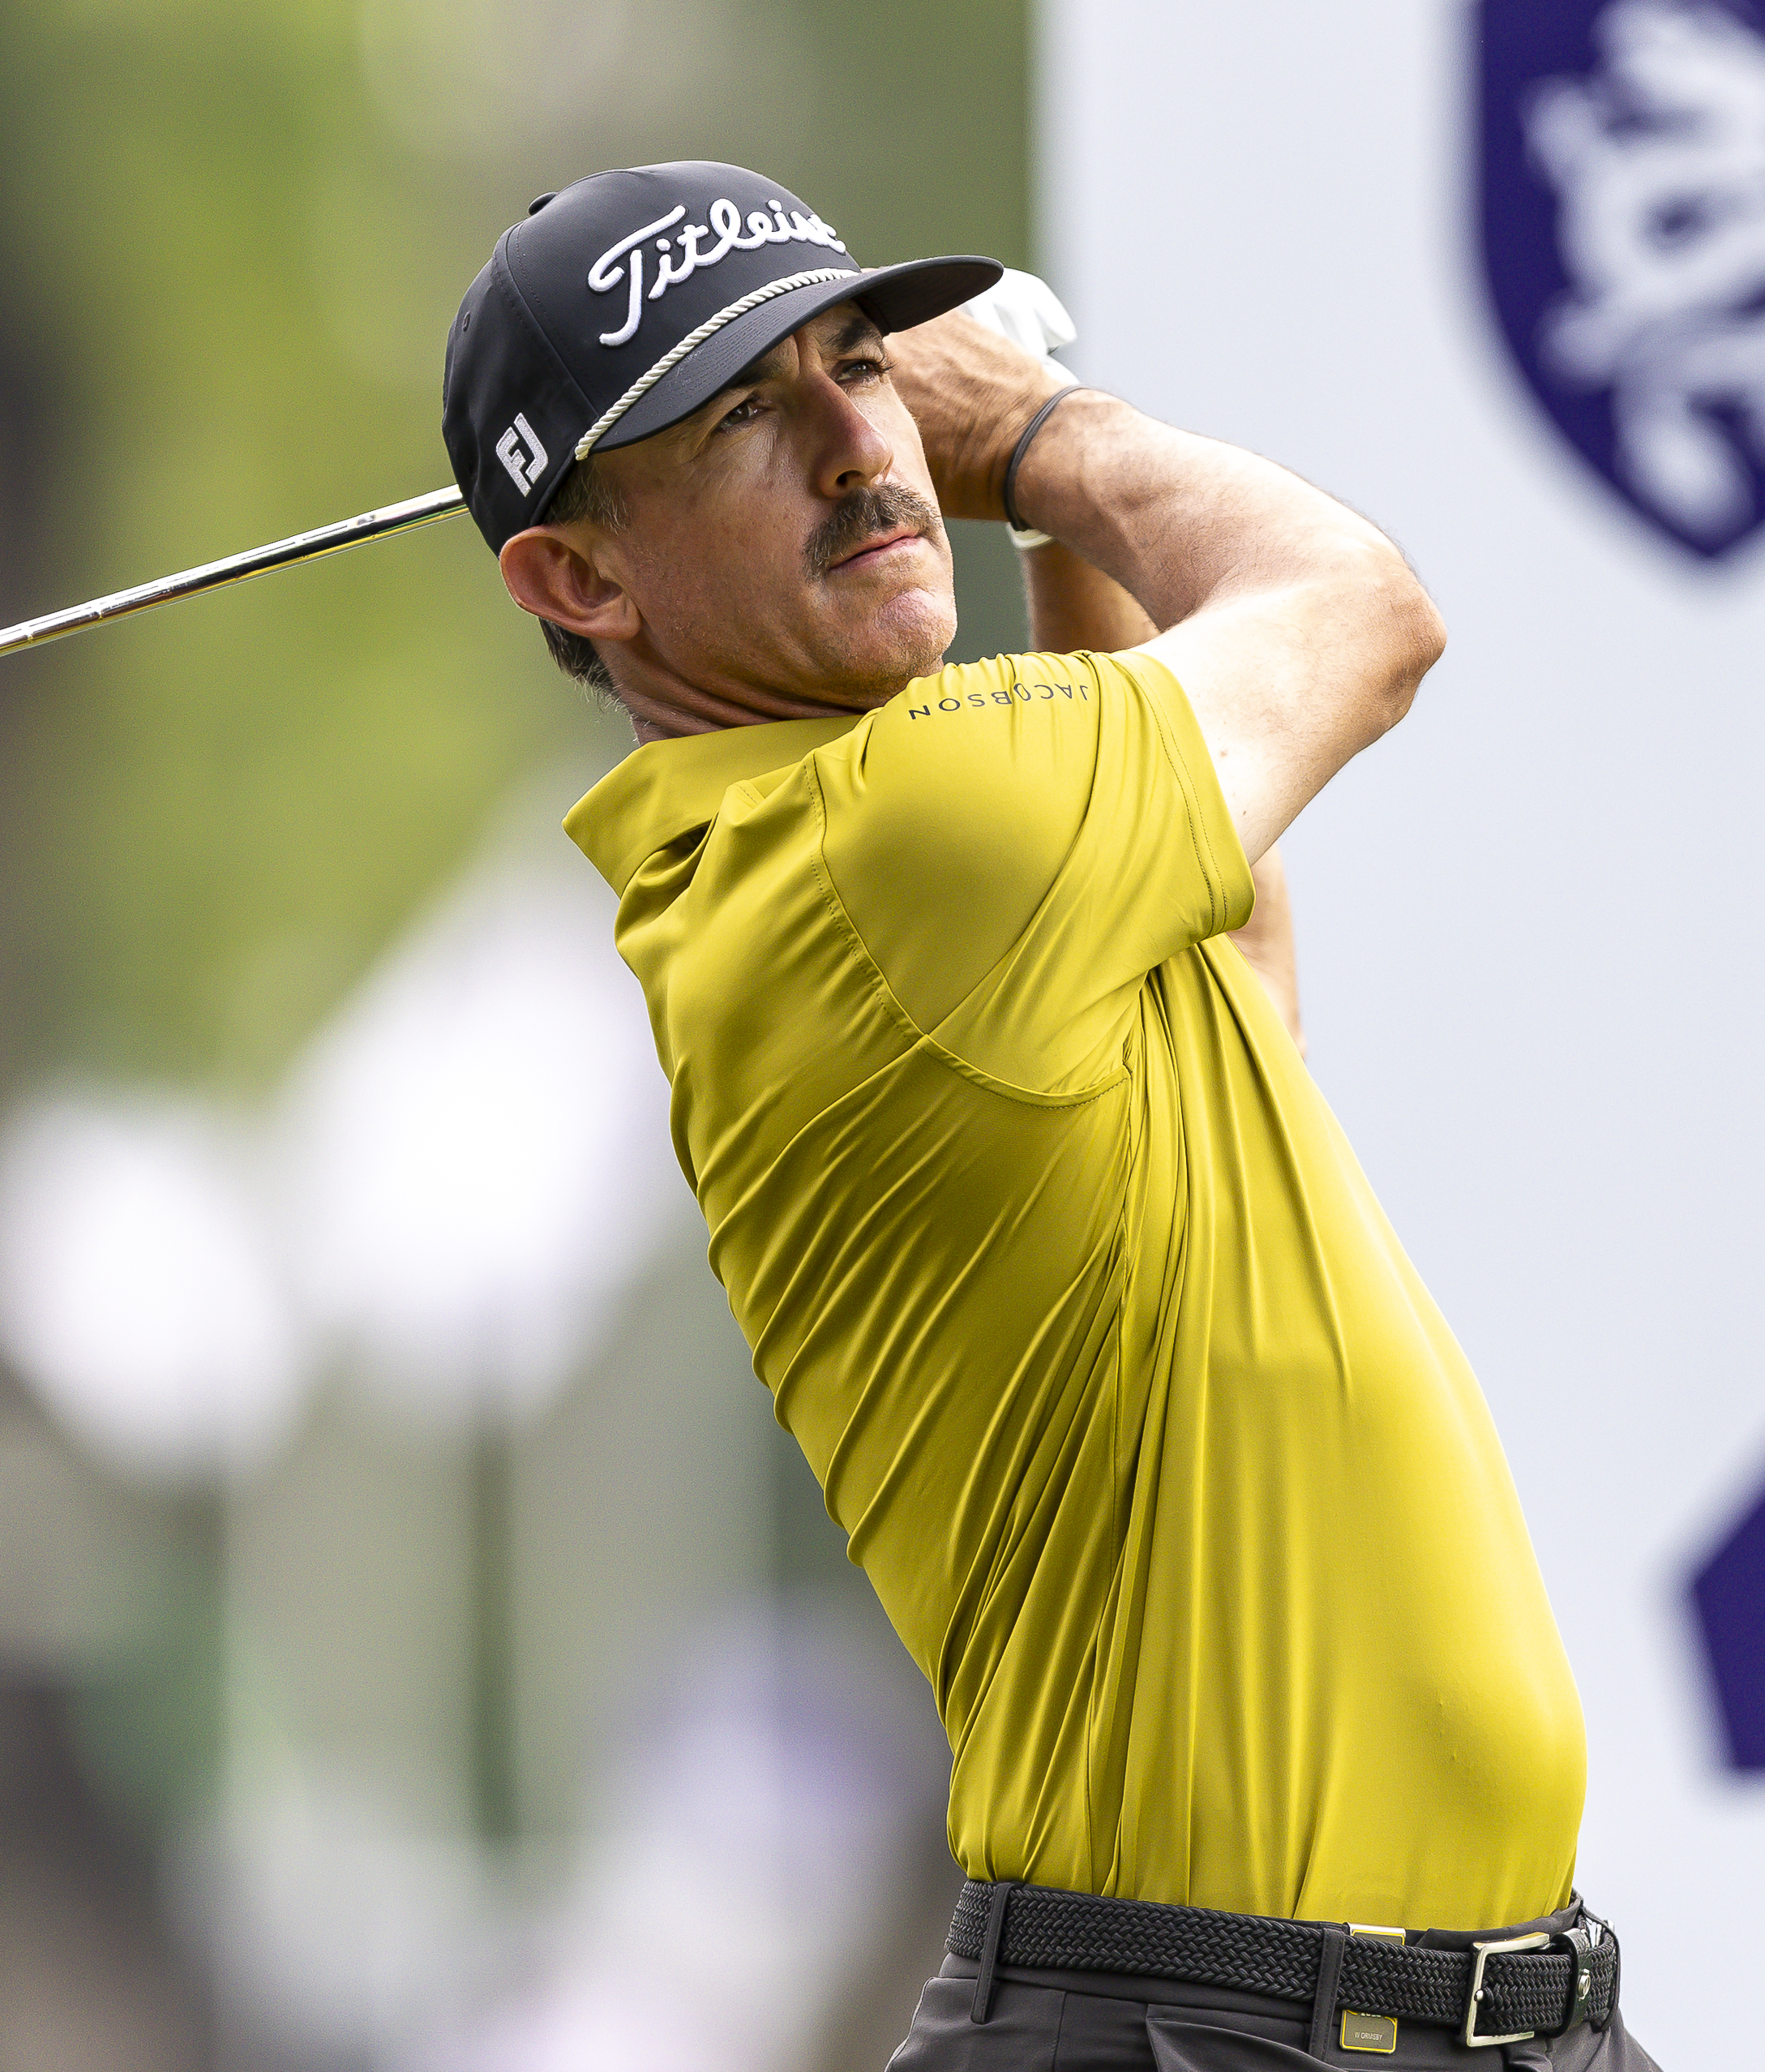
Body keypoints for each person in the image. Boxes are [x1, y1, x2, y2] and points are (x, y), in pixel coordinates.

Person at [438, 161, 1654, 2070]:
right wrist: (1031, 435)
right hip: (1206, 2025)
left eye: (861, 364)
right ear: (582, 578)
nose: (861, 445)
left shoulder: (922, 868)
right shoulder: (892, 842)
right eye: (745, 413)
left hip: (1440, 2016)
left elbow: (1237, 965)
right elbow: (1364, 610)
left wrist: (1017, 509)